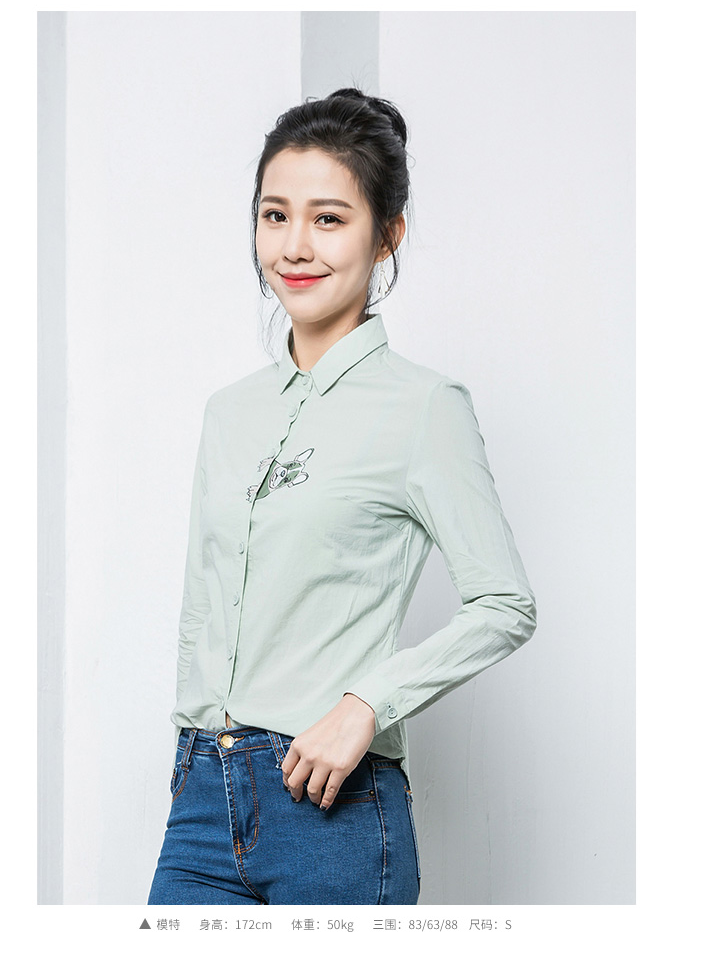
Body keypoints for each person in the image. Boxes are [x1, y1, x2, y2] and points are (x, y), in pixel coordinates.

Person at [147, 88, 536, 906]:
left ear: (386, 234)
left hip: (333, 809)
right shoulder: (228, 412)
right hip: (201, 801)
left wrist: (368, 704)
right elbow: (200, 605)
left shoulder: (424, 407)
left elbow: (505, 604)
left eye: (328, 218)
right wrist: (189, 756)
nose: (295, 245)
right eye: (275, 215)